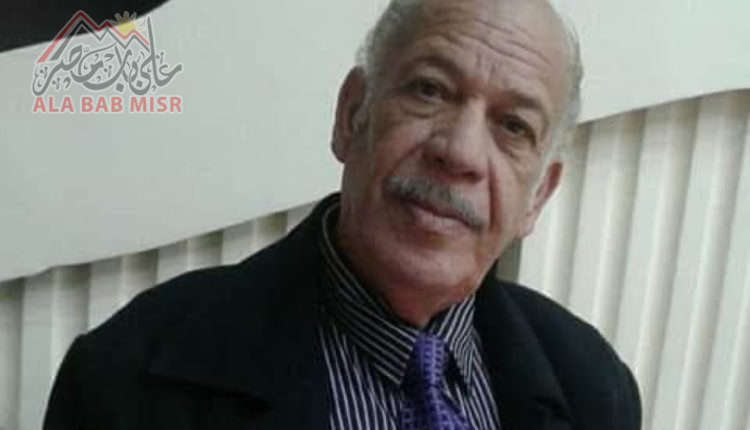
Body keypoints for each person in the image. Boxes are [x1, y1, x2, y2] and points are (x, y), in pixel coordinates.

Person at [44, 0, 642, 429]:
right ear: (352, 116)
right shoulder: (124, 382)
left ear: (538, 195)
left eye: (512, 126)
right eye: (429, 90)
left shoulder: (596, 386)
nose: (459, 152)